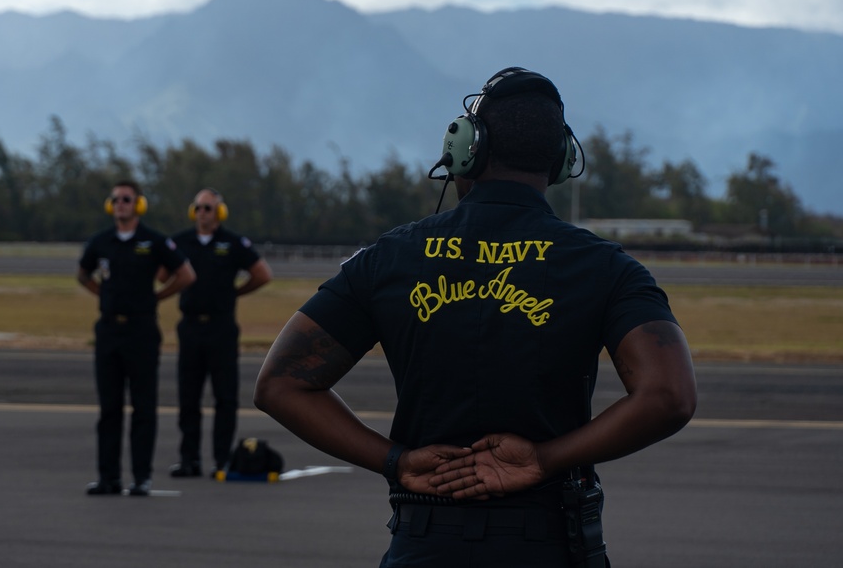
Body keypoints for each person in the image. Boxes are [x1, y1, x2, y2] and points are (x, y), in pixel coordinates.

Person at [254, 67, 697, 567]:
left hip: (425, 539)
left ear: (467, 149)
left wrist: (395, 461)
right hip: (549, 543)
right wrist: (543, 460)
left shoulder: (388, 259)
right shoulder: (607, 267)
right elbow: (669, 395)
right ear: (561, 160)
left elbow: (280, 384)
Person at [77, 179, 196, 497]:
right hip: (108, 331)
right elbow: (82, 273)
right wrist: (103, 295)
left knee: (143, 407)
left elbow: (185, 274)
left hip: (141, 330)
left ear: (138, 204)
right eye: (115, 199)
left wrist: (158, 297)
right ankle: (108, 477)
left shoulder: (153, 241)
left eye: (127, 199)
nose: (120, 205)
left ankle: (141, 476)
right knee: (109, 408)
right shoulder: (100, 242)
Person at [167, 187, 273, 478]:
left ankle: (221, 459)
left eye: (208, 208)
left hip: (221, 327)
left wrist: (234, 293)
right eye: (198, 208)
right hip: (190, 326)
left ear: (219, 213)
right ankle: (189, 459)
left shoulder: (233, 242)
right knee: (188, 396)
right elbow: (162, 272)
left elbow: (262, 273)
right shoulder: (180, 242)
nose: (202, 213)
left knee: (224, 396)